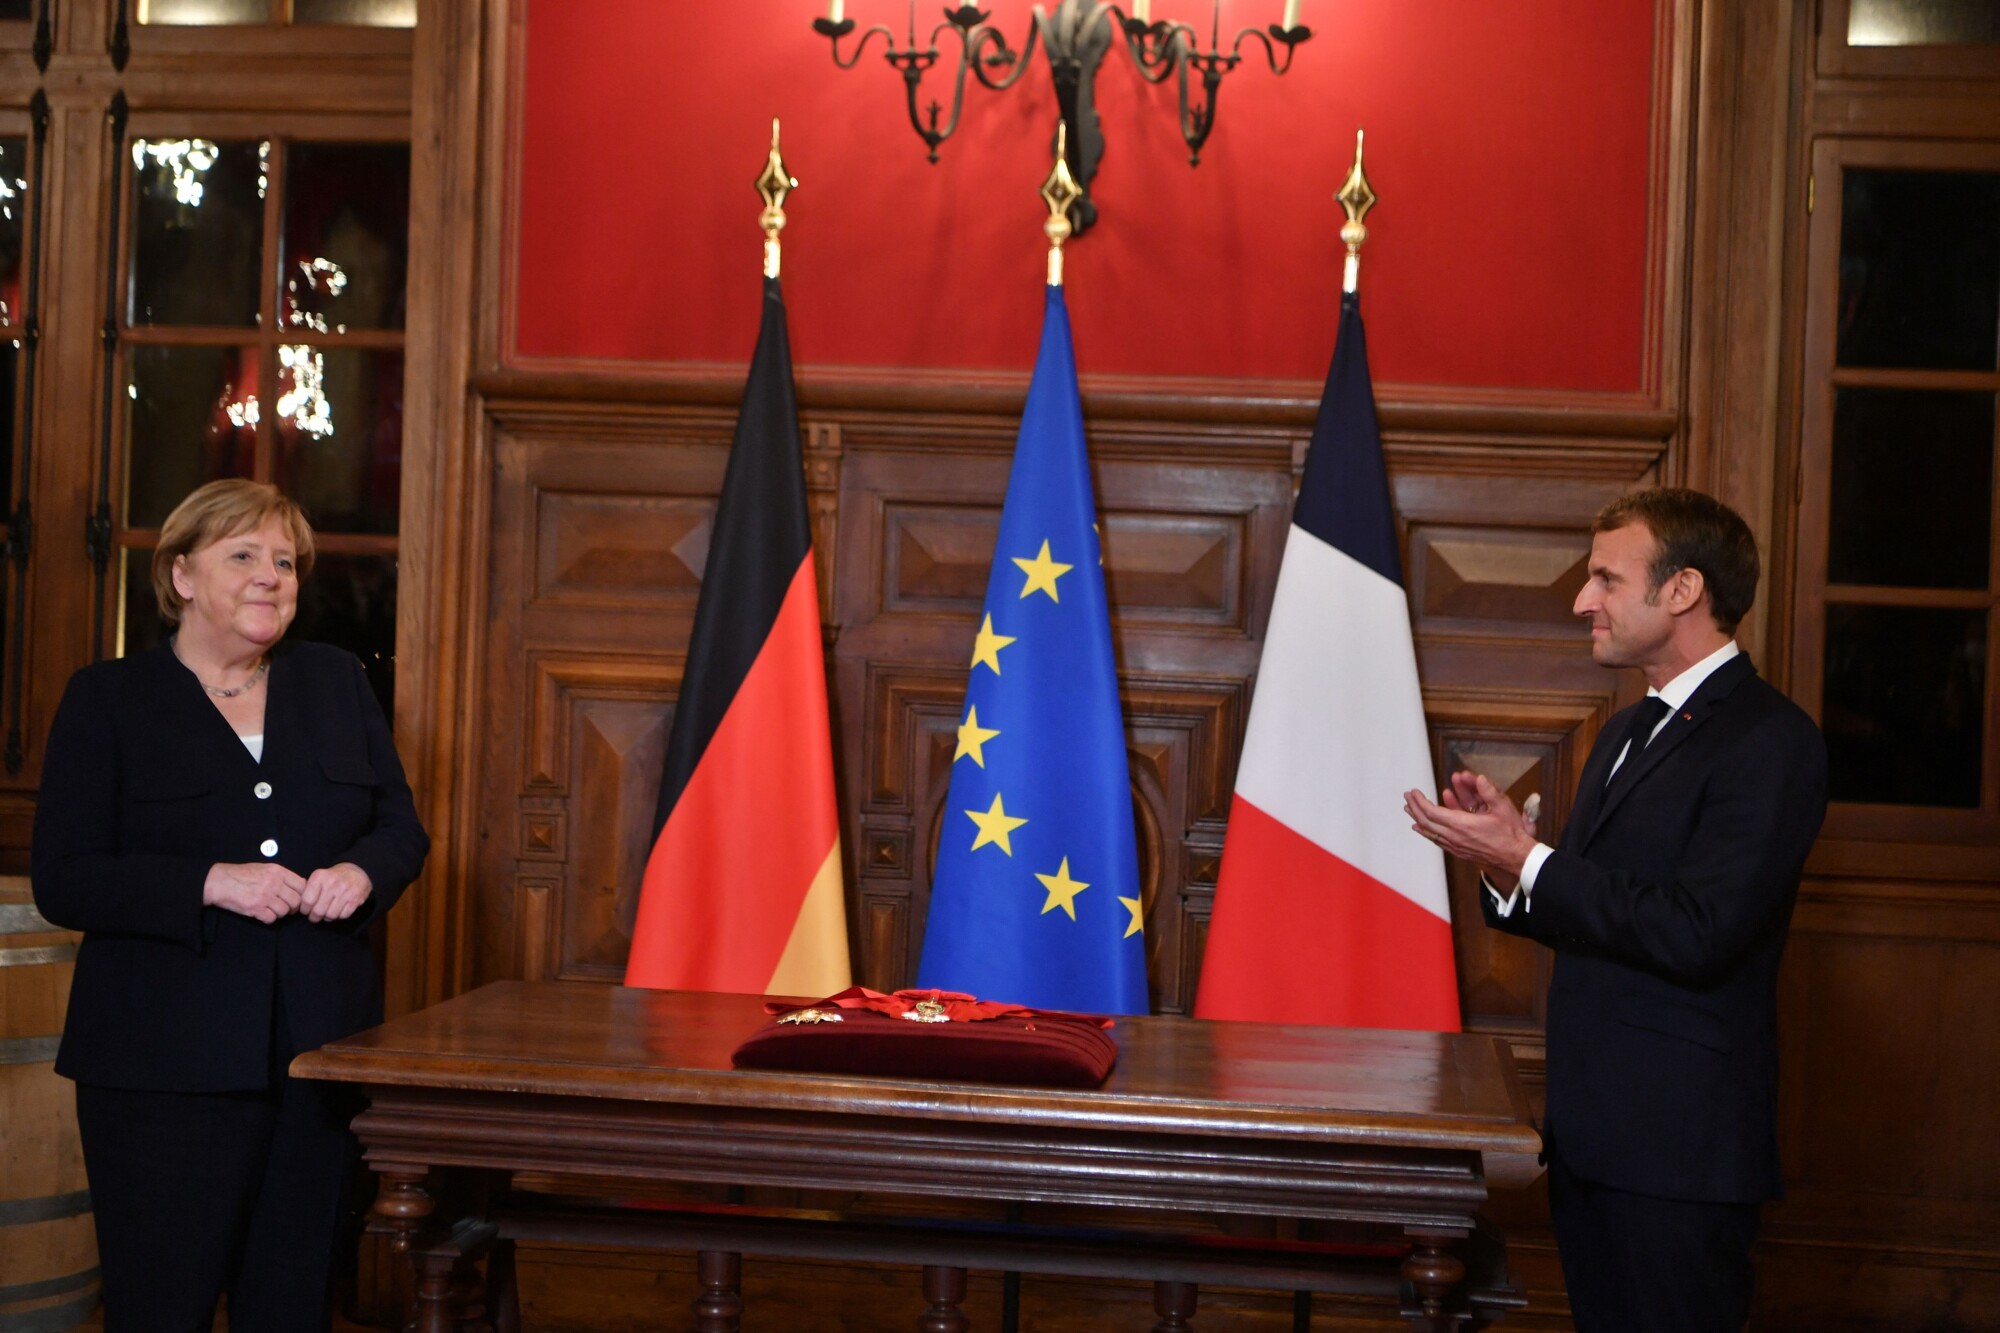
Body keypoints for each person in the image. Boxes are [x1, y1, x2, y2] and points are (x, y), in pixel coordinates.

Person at [1403, 487, 1826, 1333]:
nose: (1580, 600)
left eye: (1605, 578)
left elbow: (1700, 930)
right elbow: (1594, 910)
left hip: (1681, 1153)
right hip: (1594, 1138)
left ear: (1682, 590)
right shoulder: (1629, 729)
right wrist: (1507, 864)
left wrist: (1534, 859)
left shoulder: (1771, 739)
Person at [32, 479, 429, 1332]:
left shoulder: (335, 682)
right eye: (243, 555)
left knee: (290, 1307)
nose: (270, 576)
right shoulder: (106, 699)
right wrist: (209, 879)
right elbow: (64, 876)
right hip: (159, 1072)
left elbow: (401, 827)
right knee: (159, 1308)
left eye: (284, 561)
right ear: (180, 576)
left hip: (318, 1064)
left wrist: (364, 873)